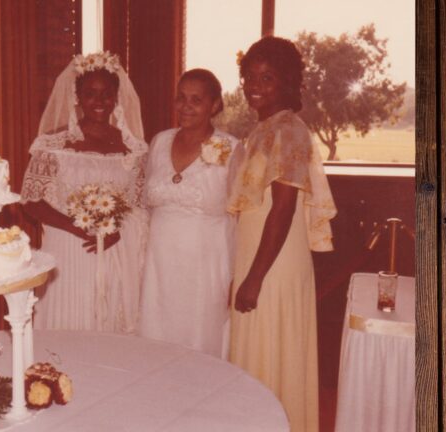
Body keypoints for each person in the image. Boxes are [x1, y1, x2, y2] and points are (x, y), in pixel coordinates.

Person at [227, 37, 337, 432]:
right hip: (256, 251)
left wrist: (255, 277)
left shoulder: (289, 129)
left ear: (287, 82)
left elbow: (284, 207)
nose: (255, 86)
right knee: (258, 347)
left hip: (274, 260)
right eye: (250, 77)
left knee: (271, 345)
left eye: (267, 78)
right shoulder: (264, 128)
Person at [20, 51, 149, 333]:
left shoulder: (133, 148)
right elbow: (31, 200)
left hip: (115, 249)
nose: (99, 101)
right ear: (77, 96)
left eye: (106, 94)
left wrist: (117, 229)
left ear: (116, 97)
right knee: (70, 320)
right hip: (69, 247)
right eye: (90, 93)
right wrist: (78, 227)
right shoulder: (54, 144)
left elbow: (138, 204)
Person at [139, 69, 241, 357]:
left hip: (205, 263)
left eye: (196, 100)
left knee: (199, 341)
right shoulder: (160, 142)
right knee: (157, 339)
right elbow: (146, 206)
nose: (186, 106)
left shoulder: (228, 147)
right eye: (181, 98)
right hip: (160, 263)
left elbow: (240, 216)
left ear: (214, 105)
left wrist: (236, 274)